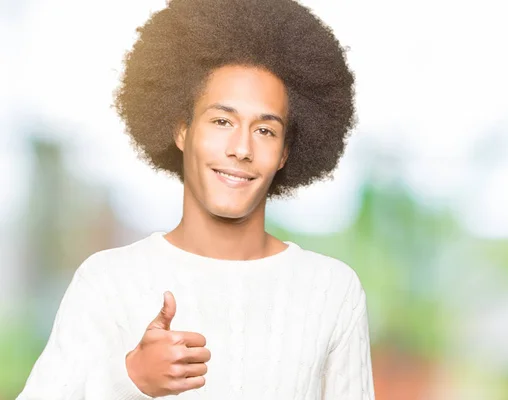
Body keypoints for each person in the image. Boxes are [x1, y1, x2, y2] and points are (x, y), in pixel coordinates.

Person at [17, 0, 375, 398]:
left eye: (266, 131)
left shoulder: (332, 291)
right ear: (182, 130)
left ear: (286, 153)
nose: (241, 148)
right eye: (222, 121)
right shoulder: (108, 282)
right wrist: (130, 380)